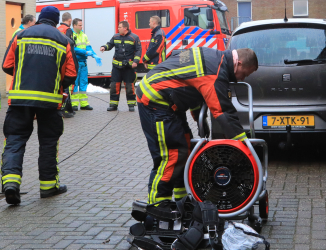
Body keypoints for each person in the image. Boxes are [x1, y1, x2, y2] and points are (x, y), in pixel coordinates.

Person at [136, 46, 258, 203]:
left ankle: (182, 201)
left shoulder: (213, 55)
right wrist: (243, 142)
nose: (242, 79)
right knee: (172, 155)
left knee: (186, 150)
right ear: (239, 64)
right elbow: (223, 112)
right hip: (156, 101)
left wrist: (197, 115)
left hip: (168, 101)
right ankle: (157, 206)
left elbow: (188, 77)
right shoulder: (215, 73)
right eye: (245, 74)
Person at [0, 6, 77, 206]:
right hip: (50, 102)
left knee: (15, 140)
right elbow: (71, 74)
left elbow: (7, 65)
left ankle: (10, 184)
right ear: (56, 20)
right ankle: (48, 186)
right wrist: (56, 84)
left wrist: (25, 74)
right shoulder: (64, 41)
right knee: (49, 143)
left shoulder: (22, 35)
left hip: (19, 100)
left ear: (40, 19)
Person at [100, 21, 141, 112]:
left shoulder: (134, 38)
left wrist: (136, 61)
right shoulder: (116, 36)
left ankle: (131, 105)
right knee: (114, 86)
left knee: (130, 86)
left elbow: (138, 50)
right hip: (116, 68)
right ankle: (113, 105)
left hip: (128, 67)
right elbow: (110, 44)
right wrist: (104, 47)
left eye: (119, 27)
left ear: (125, 28)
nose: (118, 29)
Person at [71, 18, 94, 111]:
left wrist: (93, 54)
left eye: (81, 25)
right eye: (80, 25)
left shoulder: (84, 35)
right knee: (75, 83)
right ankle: (74, 104)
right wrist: (85, 52)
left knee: (83, 83)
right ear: (74, 25)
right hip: (75, 62)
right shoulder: (71, 35)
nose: (81, 27)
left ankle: (84, 104)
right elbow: (73, 49)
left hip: (83, 63)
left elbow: (88, 47)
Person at [57, 12, 77, 118]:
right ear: (69, 21)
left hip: (59, 59)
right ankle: (65, 109)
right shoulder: (68, 30)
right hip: (66, 59)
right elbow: (69, 44)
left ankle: (67, 108)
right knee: (67, 87)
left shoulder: (58, 28)